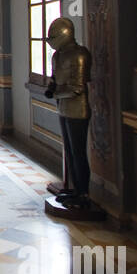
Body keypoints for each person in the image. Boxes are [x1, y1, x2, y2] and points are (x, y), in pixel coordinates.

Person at [44, 16, 92, 205]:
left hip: (77, 109)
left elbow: (77, 88)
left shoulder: (80, 54)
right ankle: (74, 189)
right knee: (70, 151)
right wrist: (51, 88)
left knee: (79, 152)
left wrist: (55, 95)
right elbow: (55, 79)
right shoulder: (58, 56)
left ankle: (84, 193)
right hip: (64, 108)